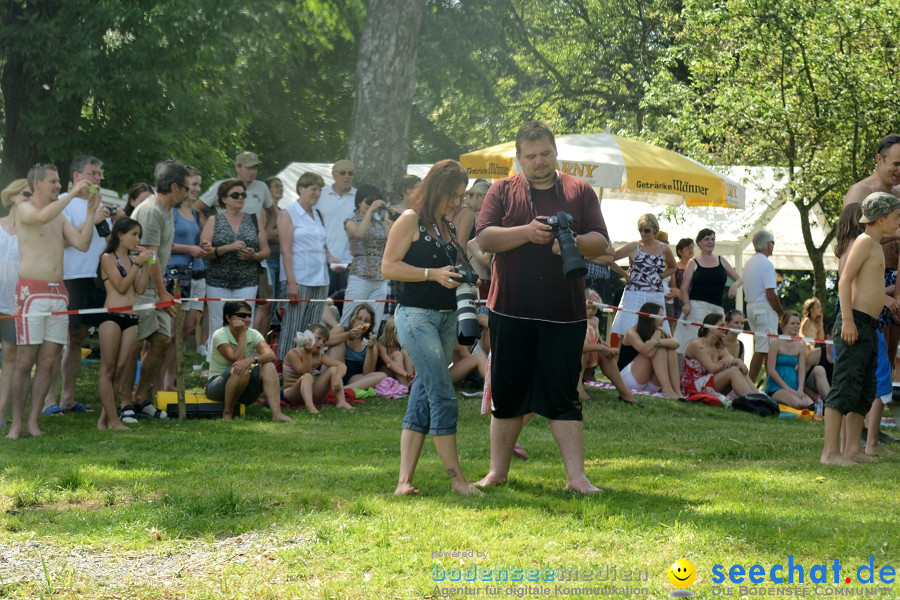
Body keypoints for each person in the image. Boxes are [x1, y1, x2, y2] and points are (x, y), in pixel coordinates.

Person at [474, 121, 609, 494]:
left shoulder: (579, 190)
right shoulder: (502, 190)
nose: (539, 162)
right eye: (530, 156)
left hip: (564, 313)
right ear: (518, 158)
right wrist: (526, 233)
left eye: (545, 153)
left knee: (564, 395)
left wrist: (574, 243)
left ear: (555, 152)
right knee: (507, 394)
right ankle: (497, 472)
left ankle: (576, 477)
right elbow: (484, 237)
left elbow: (602, 241)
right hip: (509, 310)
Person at [381, 159, 481, 496]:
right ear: (436, 189)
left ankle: (403, 483)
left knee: (421, 398)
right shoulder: (410, 220)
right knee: (442, 394)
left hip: (446, 317)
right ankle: (459, 482)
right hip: (415, 317)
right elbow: (388, 267)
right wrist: (431, 274)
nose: (458, 202)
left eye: (462, 196)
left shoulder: (447, 227)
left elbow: (449, 266)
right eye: (453, 195)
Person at [8, 164, 98, 439]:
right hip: (31, 292)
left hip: (57, 293)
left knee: (48, 361)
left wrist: (92, 211)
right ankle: (16, 424)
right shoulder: (25, 209)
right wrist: (71, 194)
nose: (58, 186)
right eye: (53, 181)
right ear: (37, 184)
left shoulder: (58, 218)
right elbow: (40, 216)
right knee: (25, 362)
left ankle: (34, 422)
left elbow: (82, 244)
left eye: (59, 182)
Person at [822, 192, 900, 465]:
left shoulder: (876, 245)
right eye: (896, 217)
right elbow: (844, 283)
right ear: (880, 219)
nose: (898, 222)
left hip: (869, 325)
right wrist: (849, 320)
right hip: (853, 322)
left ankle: (853, 449)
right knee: (844, 387)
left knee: (864, 389)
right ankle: (830, 453)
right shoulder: (865, 242)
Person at [119, 163, 189, 423]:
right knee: (134, 345)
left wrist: (162, 291)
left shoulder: (167, 210)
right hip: (140, 287)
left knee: (161, 341)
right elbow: (149, 257)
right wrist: (162, 293)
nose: (189, 192)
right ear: (174, 187)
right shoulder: (150, 211)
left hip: (156, 288)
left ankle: (140, 399)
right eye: (186, 187)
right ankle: (125, 403)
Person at [43, 156, 112, 416]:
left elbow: (106, 241)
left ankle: (68, 398)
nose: (97, 179)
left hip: (95, 278)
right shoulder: (64, 203)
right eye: (92, 173)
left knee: (78, 339)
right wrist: (91, 221)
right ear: (76, 176)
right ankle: (47, 399)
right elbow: (61, 241)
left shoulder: (100, 203)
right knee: (58, 340)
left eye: (99, 174)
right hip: (70, 276)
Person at [96, 218, 153, 430]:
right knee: (108, 369)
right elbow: (120, 286)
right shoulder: (107, 258)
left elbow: (139, 289)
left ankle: (105, 418)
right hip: (111, 316)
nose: (137, 239)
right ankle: (113, 420)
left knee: (120, 369)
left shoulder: (132, 260)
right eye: (134, 234)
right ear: (120, 234)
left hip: (131, 317)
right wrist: (137, 264)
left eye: (139, 235)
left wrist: (145, 266)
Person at [277, 172, 339, 360]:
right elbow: (286, 251)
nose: (317, 193)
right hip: (299, 278)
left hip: (320, 279)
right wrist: (291, 283)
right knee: (293, 328)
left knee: (313, 328)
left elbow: (321, 242)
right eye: (314, 189)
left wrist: (331, 258)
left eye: (320, 189)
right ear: (301, 189)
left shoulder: (317, 214)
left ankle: (305, 366)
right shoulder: (288, 213)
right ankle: (283, 368)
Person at [201, 179, 269, 342]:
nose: (240, 198)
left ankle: (242, 363)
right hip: (218, 280)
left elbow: (266, 250)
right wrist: (228, 247)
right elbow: (205, 253)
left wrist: (254, 255)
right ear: (224, 199)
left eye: (243, 194)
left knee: (244, 323)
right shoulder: (214, 220)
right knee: (218, 324)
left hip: (247, 280)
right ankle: (215, 364)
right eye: (235, 195)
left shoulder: (253, 219)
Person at [162, 166, 208, 390]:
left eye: (199, 184)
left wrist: (202, 246)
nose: (195, 189)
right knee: (172, 331)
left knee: (187, 328)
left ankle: (174, 377)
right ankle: (163, 381)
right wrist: (189, 249)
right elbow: (164, 245)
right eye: (192, 184)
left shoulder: (198, 214)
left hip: (197, 274)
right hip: (175, 275)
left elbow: (196, 244)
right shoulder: (171, 212)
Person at [206, 301, 291, 422]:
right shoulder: (220, 334)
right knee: (241, 369)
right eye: (242, 315)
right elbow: (236, 359)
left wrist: (252, 359)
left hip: (242, 386)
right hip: (217, 388)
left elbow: (271, 355)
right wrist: (242, 334)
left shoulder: (253, 333)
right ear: (228, 317)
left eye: (249, 316)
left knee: (268, 365)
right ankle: (227, 413)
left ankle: (277, 414)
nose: (247, 319)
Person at [609, 214, 675, 346]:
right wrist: (625, 274)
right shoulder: (634, 246)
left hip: (656, 294)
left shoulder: (664, 248)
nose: (643, 233)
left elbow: (673, 267)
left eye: (647, 230)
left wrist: (660, 276)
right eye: (640, 230)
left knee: (660, 332)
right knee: (627, 332)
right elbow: (609, 259)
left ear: (655, 230)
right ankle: (623, 364)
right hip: (634, 294)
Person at [674, 228, 742, 353]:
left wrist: (734, 286)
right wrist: (687, 303)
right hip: (697, 307)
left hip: (717, 308)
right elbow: (683, 287)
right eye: (707, 239)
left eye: (712, 239)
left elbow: (738, 279)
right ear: (699, 242)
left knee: (718, 341)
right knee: (697, 341)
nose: (710, 242)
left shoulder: (721, 260)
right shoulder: (693, 262)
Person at [341, 183, 393, 332]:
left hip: (380, 276)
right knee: (350, 317)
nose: (372, 205)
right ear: (359, 202)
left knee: (374, 323)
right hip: (360, 274)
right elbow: (359, 234)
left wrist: (391, 217)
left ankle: (369, 350)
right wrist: (370, 211)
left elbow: (391, 243)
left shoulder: (381, 223)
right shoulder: (350, 221)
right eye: (368, 202)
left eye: (375, 202)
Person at [578, 290, 643, 405]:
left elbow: (596, 337)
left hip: (589, 359)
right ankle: (578, 388)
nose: (591, 311)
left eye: (594, 308)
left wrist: (603, 344)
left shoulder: (595, 321)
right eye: (587, 308)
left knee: (604, 353)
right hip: (578, 359)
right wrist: (600, 347)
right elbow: (579, 346)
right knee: (584, 352)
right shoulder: (577, 321)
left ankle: (624, 393)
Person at [681, 313, 758, 402]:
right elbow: (712, 368)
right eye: (722, 325)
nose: (725, 328)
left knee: (737, 369)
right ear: (710, 328)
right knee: (733, 371)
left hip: (709, 381)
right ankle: (754, 402)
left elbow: (730, 358)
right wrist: (734, 361)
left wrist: (736, 361)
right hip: (694, 384)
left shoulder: (718, 344)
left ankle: (761, 399)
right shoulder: (697, 344)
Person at [0, 179, 28, 426]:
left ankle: (0, 412)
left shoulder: (30, 233)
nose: (29, 200)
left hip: (15, 303)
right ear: (11, 198)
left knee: (10, 355)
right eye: (24, 194)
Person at [617, 301, 681, 400]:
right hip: (628, 379)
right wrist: (658, 333)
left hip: (647, 382)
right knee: (659, 349)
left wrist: (657, 340)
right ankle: (667, 388)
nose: (663, 319)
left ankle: (677, 391)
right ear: (651, 317)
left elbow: (676, 343)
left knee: (670, 350)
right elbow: (647, 351)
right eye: (660, 315)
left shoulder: (659, 331)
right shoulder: (632, 331)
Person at [743, 230, 784, 382]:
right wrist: (782, 313)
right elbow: (770, 294)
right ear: (768, 245)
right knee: (763, 350)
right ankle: (749, 387)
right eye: (772, 243)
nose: (773, 246)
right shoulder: (766, 264)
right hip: (763, 308)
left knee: (765, 350)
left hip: (751, 307)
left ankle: (765, 386)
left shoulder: (749, 262)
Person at [282, 325, 348, 413]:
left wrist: (337, 377)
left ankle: (341, 402)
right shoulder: (293, 353)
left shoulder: (320, 356)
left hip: (310, 392)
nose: (321, 343)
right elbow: (304, 373)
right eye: (318, 338)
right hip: (292, 393)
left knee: (334, 370)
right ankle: (310, 407)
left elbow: (342, 366)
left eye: (324, 341)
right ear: (308, 336)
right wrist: (308, 354)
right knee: (307, 376)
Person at [317, 160, 357, 295]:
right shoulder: (320, 195)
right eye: (342, 173)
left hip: (351, 262)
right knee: (323, 305)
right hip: (323, 260)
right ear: (334, 175)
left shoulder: (360, 197)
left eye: (350, 173)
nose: (347, 176)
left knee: (348, 307)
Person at [326, 303, 386, 391]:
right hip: (335, 371)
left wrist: (370, 349)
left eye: (366, 321)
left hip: (353, 378)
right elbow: (324, 342)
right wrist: (347, 335)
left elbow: (368, 372)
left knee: (382, 376)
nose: (362, 323)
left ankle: (343, 390)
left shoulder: (370, 340)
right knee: (338, 344)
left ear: (370, 324)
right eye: (359, 318)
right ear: (353, 319)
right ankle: (335, 386)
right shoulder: (341, 329)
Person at [763, 311, 815, 409]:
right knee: (798, 405)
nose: (796, 326)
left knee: (810, 405)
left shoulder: (800, 346)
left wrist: (800, 389)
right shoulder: (775, 344)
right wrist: (787, 388)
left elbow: (801, 370)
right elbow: (771, 370)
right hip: (777, 386)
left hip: (794, 385)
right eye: (792, 323)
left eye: (798, 323)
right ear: (784, 325)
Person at [377, 316, 414, 386]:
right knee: (397, 354)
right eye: (399, 333)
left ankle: (411, 381)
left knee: (405, 352)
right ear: (391, 332)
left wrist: (409, 374)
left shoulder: (401, 344)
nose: (403, 336)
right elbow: (389, 363)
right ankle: (405, 386)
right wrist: (404, 373)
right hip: (386, 371)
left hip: (403, 373)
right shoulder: (382, 343)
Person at [454, 179, 490, 248]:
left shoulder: (460, 209)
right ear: (480, 195)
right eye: (487, 199)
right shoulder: (467, 212)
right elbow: (461, 247)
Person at [670, 237, 695, 332]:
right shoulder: (674, 267)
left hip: (694, 301)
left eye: (692, 247)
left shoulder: (697, 266)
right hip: (678, 303)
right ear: (680, 252)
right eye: (687, 248)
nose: (691, 250)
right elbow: (672, 286)